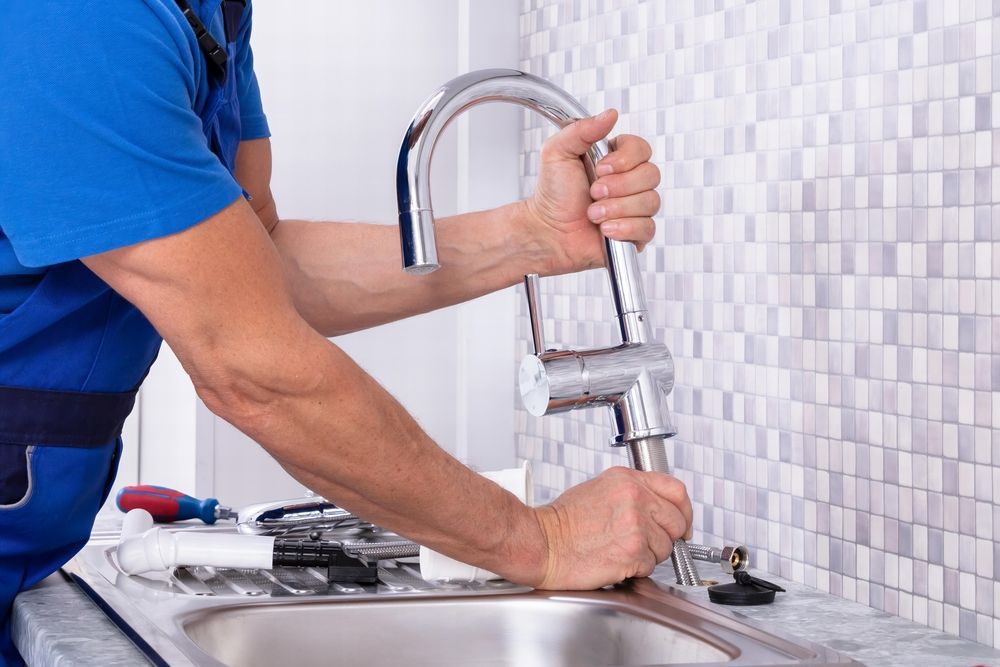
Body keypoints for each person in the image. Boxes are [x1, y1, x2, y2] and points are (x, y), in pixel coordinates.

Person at [0, 2, 692, 663]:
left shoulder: (211, 15)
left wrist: (530, 236)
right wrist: (541, 539)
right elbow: (254, 368)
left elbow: (258, 267)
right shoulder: (80, 19)